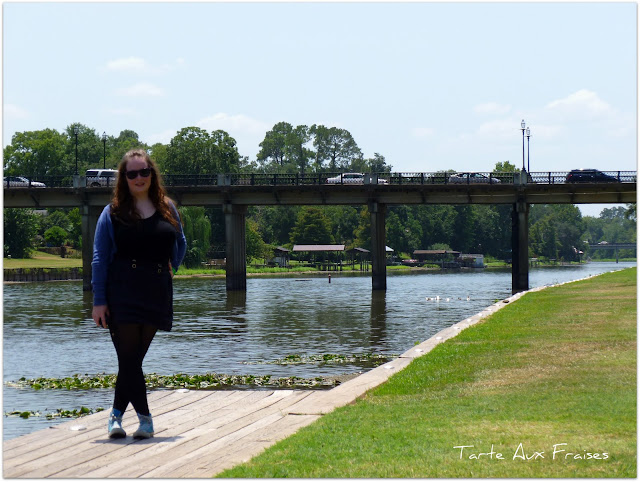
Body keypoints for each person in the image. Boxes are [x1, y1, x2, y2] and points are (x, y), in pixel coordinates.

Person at [91, 149, 186, 439]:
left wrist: (173, 266)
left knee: (132, 361)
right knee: (129, 359)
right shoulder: (112, 212)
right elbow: (99, 257)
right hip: (122, 289)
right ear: (124, 178)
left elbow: (180, 242)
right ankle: (145, 420)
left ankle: (116, 416)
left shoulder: (167, 207)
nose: (139, 178)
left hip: (156, 290)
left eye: (144, 171)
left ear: (152, 174)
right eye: (132, 173)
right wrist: (99, 301)